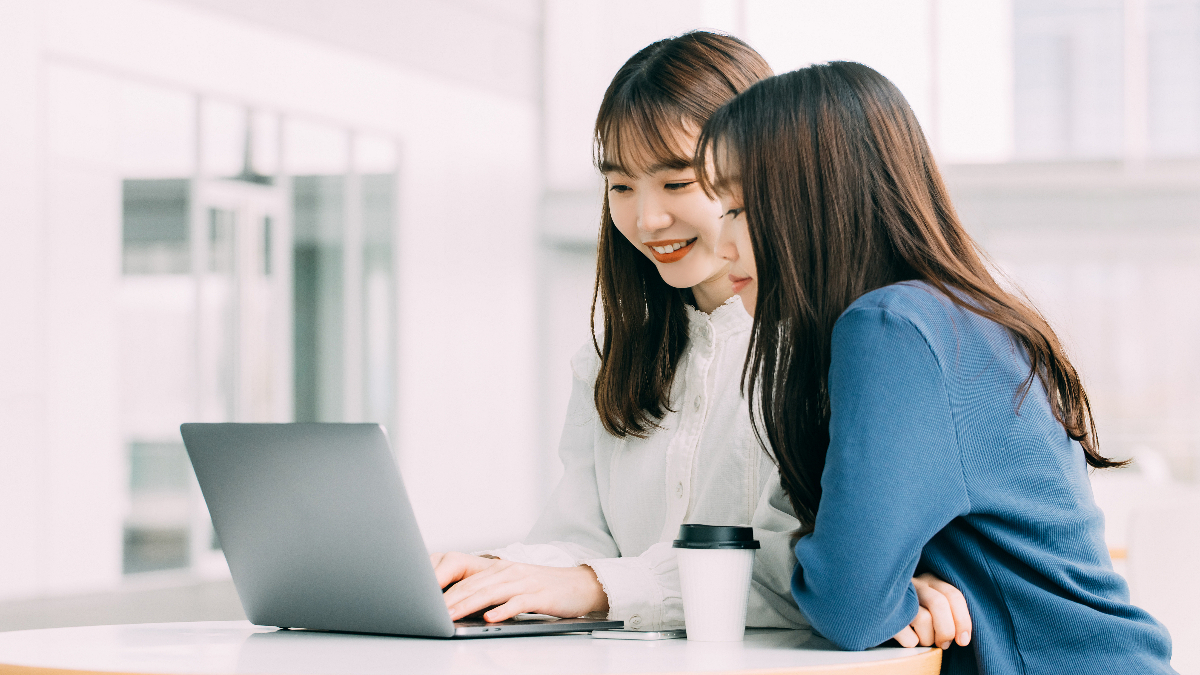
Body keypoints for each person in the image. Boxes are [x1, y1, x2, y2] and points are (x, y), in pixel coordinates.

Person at [432, 33, 968, 648]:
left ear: (757, 172)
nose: (646, 220)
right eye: (621, 186)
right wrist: (495, 575)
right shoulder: (613, 357)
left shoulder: (842, 345)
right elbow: (582, 538)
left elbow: (794, 571)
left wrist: (594, 586)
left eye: (678, 183)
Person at [698, 60, 1175, 673]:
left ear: (811, 201)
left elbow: (849, 603)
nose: (721, 245)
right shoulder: (951, 312)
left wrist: (884, 592)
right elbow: (870, 588)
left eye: (738, 209)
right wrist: (905, 586)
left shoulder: (891, 328)